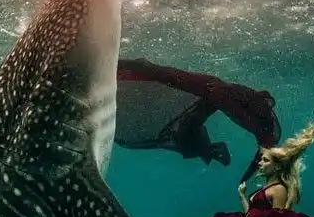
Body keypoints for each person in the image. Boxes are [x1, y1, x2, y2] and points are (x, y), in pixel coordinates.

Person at [114, 58, 280, 175]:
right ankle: (209, 150)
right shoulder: (221, 94)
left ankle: (209, 150)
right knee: (183, 130)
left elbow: (220, 98)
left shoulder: (219, 94)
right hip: (187, 94)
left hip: (190, 93)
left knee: (182, 130)